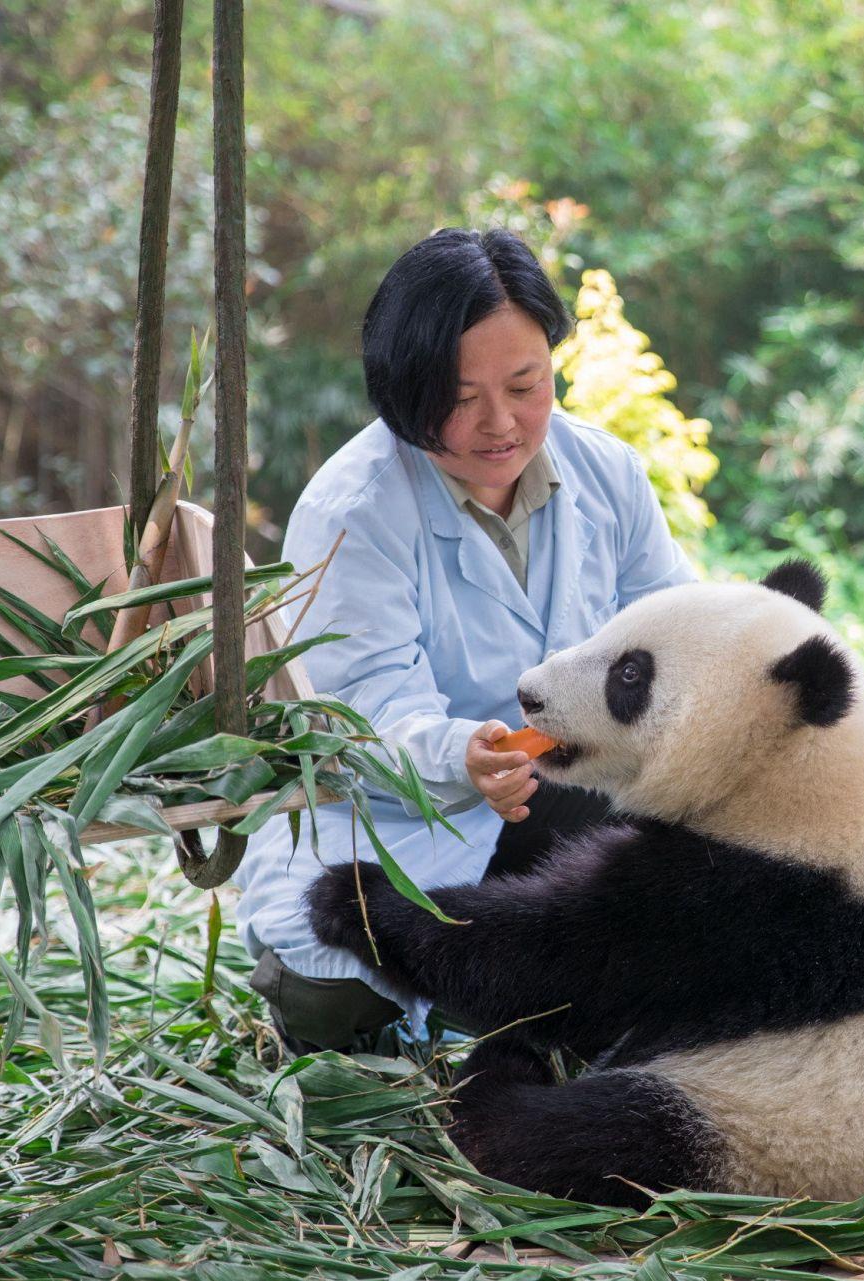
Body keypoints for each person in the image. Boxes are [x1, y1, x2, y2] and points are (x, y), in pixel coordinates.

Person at [232, 228, 696, 1053]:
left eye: (526, 384)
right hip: (394, 817)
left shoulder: (608, 474)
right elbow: (359, 712)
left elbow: (681, 631)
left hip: (573, 791)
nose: (501, 424)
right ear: (401, 389)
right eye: (461, 395)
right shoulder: (353, 511)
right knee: (337, 1005)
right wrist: (463, 756)